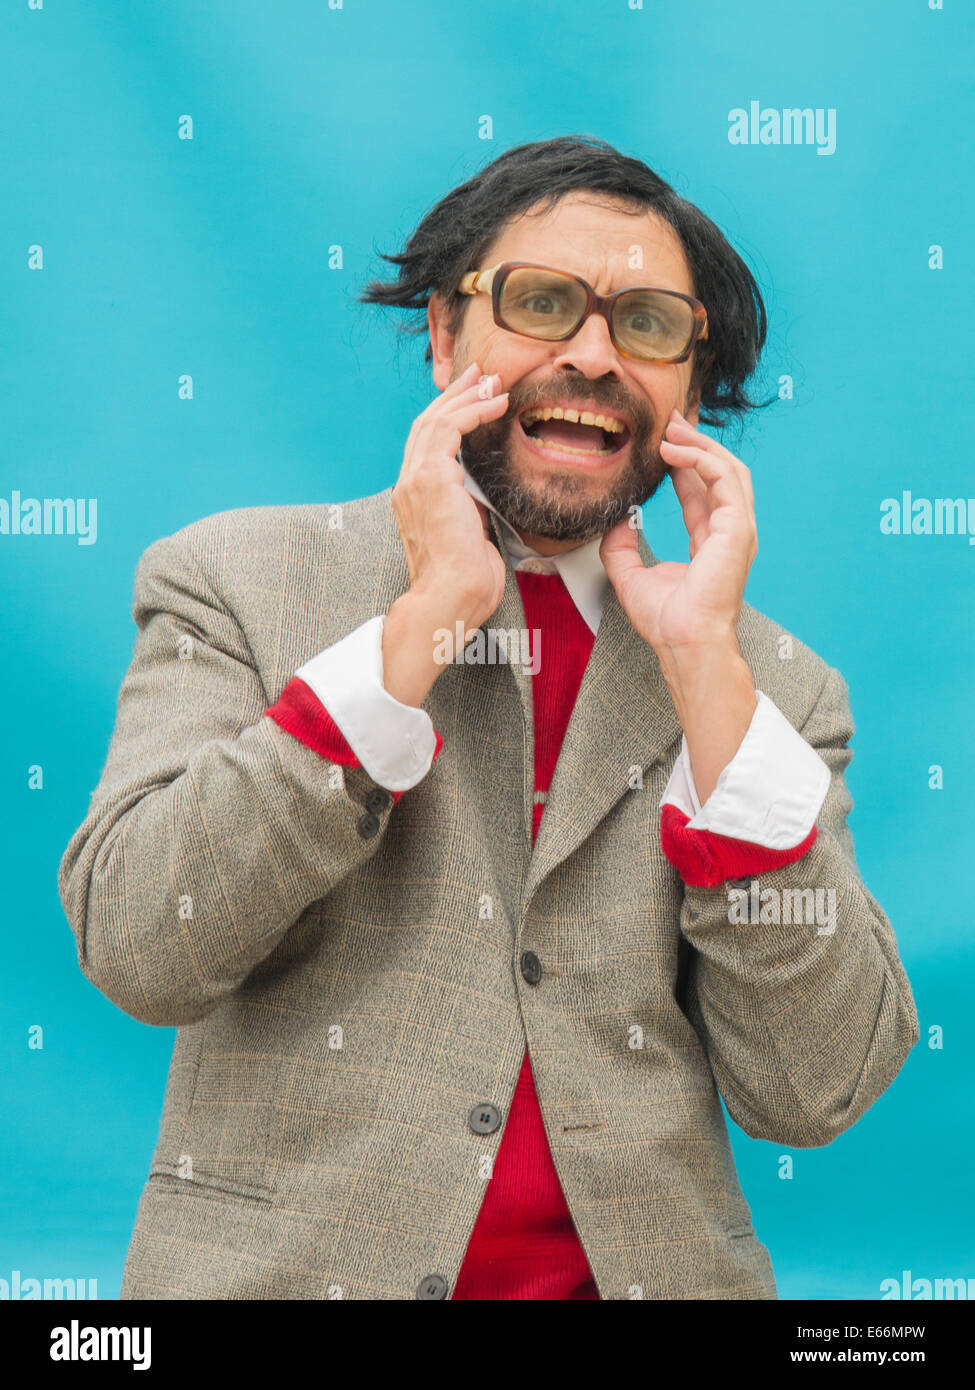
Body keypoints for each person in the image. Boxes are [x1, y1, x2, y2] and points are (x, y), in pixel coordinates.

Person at [59, 134, 918, 1301]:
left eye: (650, 324)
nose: (593, 354)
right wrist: (423, 627)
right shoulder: (234, 583)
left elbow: (814, 1090)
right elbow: (142, 945)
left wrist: (710, 680)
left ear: (689, 396)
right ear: (445, 340)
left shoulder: (777, 689)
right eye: (544, 303)